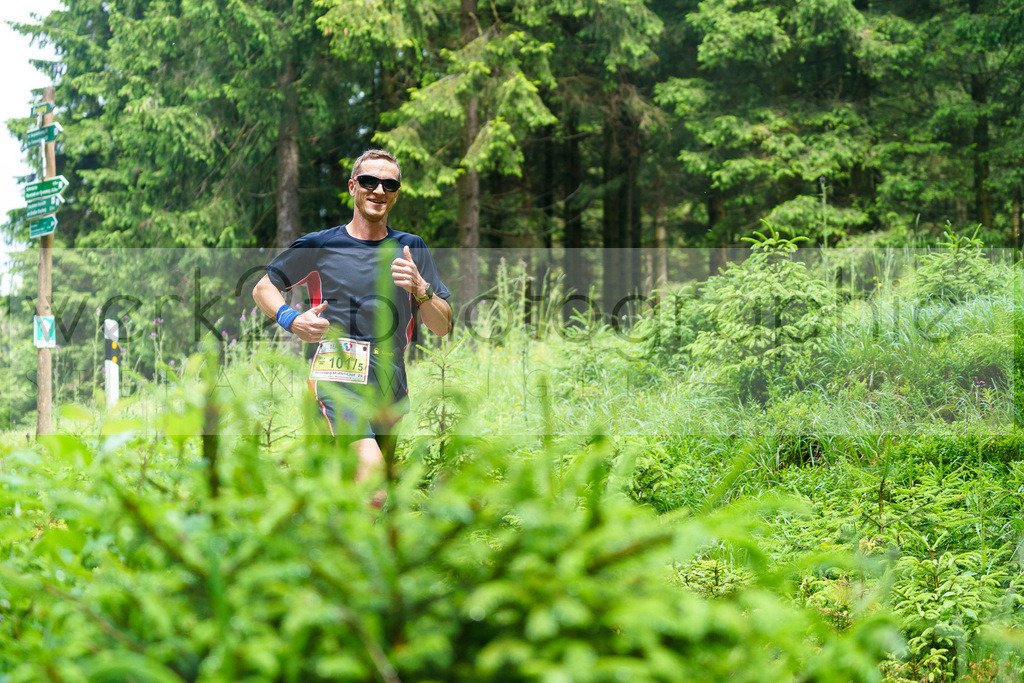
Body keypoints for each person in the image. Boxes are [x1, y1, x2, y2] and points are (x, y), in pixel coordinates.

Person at [252, 149, 452, 494]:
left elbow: (443, 325)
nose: (379, 190)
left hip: (392, 379)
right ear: (352, 186)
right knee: (373, 482)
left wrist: (421, 289)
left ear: (396, 194)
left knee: (356, 488)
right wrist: (292, 319)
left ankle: (330, 542)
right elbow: (263, 287)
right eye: (369, 181)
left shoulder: (410, 247)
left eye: (389, 184)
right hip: (337, 373)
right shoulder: (321, 244)